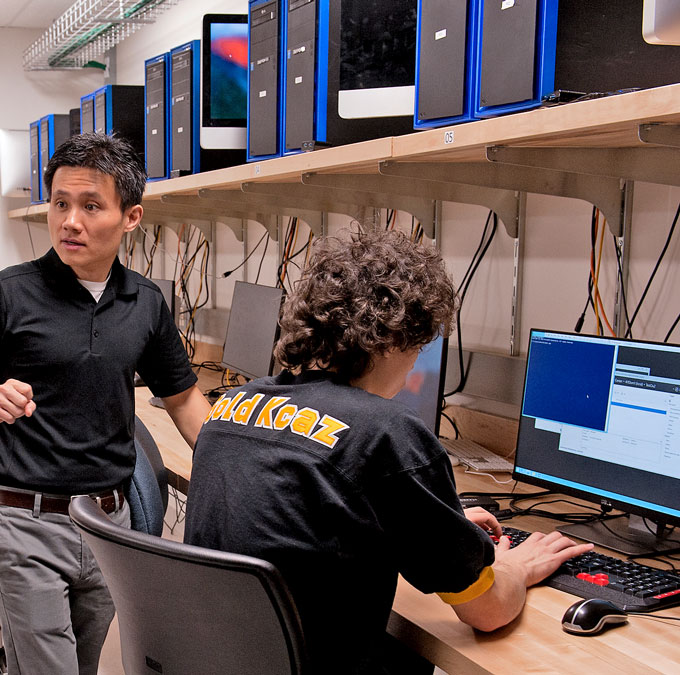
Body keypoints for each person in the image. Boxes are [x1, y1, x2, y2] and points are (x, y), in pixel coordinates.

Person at [183, 229, 593, 673]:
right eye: (419, 346)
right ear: (394, 341)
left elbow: (305, 520)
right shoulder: (386, 431)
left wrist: (437, 527)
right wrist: (517, 568)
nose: (417, 360)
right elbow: (488, 612)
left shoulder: (232, 406)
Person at [0, 132, 212, 675]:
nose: (70, 221)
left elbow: (184, 399)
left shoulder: (145, 302)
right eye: (61, 203)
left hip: (108, 524)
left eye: (91, 206)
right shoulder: (8, 291)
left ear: (131, 217)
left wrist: (230, 461)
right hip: (24, 520)